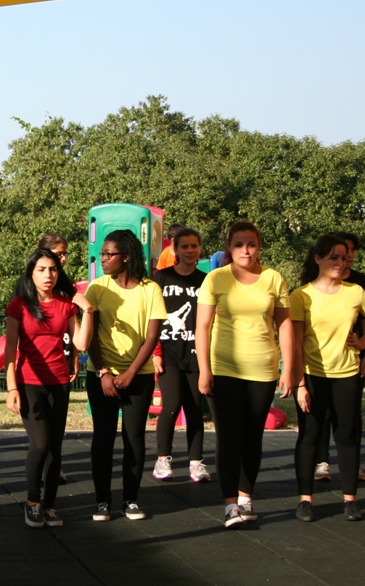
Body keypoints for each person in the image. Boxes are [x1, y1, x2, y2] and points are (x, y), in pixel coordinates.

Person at [195, 220, 294, 529]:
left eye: (251, 244)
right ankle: (229, 505)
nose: (245, 250)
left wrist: (288, 368)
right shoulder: (216, 278)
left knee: (252, 436)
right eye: (238, 244)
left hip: (262, 369)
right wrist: (204, 370)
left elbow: (285, 325)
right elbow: (202, 326)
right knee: (228, 436)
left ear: (259, 246)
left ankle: (245, 497)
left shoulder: (274, 278)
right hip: (224, 368)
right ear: (229, 247)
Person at [291, 234, 365, 522]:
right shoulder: (301, 295)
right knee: (309, 437)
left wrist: (363, 343)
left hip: (347, 374)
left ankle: (350, 500)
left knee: (346, 436)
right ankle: (305, 501)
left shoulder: (355, 292)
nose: (340, 262)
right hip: (312, 375)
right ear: (318, 258)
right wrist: (299, 384)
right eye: (333, 257)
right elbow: (295, 343)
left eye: (344, 257)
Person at [5, 248, 94, 528]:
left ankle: (51, 505)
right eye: (42, 269)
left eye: (53, 269)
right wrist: (11, 388)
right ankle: (33, 503)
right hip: (29, 383)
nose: (48, 275)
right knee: (40, 444)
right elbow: (10, 351)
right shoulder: (19, 305)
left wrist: (88, 310)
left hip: (59, 383)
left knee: (55, 447)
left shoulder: (66, 305)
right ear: (31, 273)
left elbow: (81, 343)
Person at [85, 229, 166, 522]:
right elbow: (90, 335)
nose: (103, 259)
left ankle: (130, 499)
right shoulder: (97, 288)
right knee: (103, 438)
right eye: (102, 254)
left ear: (127, 257)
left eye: (109, 254)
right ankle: (102, 501)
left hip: (138, 376)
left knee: (134, 438)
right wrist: (104, 372)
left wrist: (132, 372)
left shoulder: (150, 289)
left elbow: (152, 335)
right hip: (101, 375)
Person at [314, 231, 365, 482]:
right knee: (323, 414)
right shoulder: (313, 282)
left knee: (350, 415)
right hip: (319, 361)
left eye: (350, 252)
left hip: (350, 359)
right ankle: (322, 461)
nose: (346, 257)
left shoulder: (358, 284)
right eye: (339, 253)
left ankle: (352, 465)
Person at [151, 228, 210, 482]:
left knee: (194, 407)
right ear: (174, 249)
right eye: (184, 246)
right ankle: (162, 458)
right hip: (169, 351)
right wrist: (155, 352)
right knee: (172, 404)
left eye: (194, 246)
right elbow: (152, 317)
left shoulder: (206, 280)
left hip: (196, 351)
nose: (190, 251)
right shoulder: (162, 278)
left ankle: (196, 461)